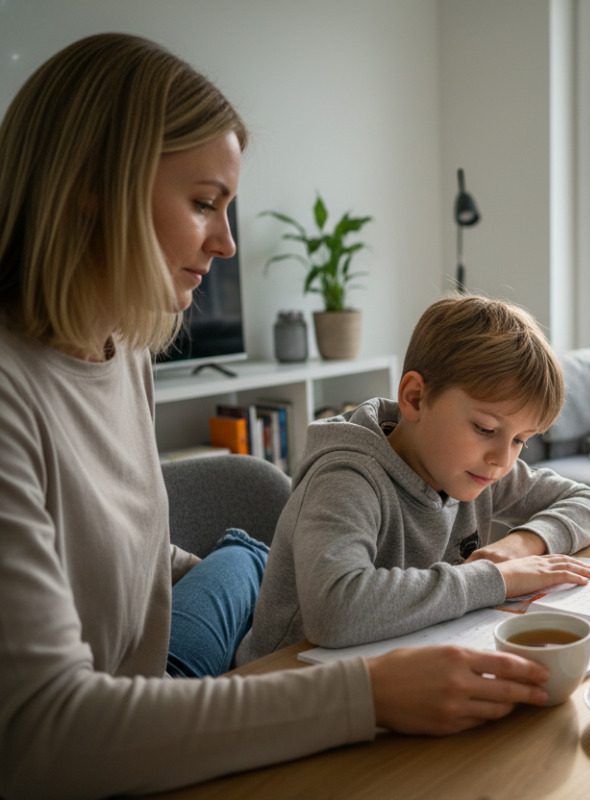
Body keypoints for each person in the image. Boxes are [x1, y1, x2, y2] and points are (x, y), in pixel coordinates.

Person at [0, 33, 556, 800]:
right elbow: (41, 735)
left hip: (154, 711)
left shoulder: (120, 350)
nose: (227, 243)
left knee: (249, 555)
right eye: (204, 203)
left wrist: (234, 591)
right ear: (92, 187)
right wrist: (369, 693)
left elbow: (119, 562)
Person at [237, 295, 590, 663]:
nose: (502, 460)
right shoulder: (346, 479)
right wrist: (497, 578)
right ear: (415, 398)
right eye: (485, 428)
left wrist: (521, 545)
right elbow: (334, 612)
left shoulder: (477, 468)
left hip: (397, 661)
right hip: (286, 681)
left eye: (520, 440)